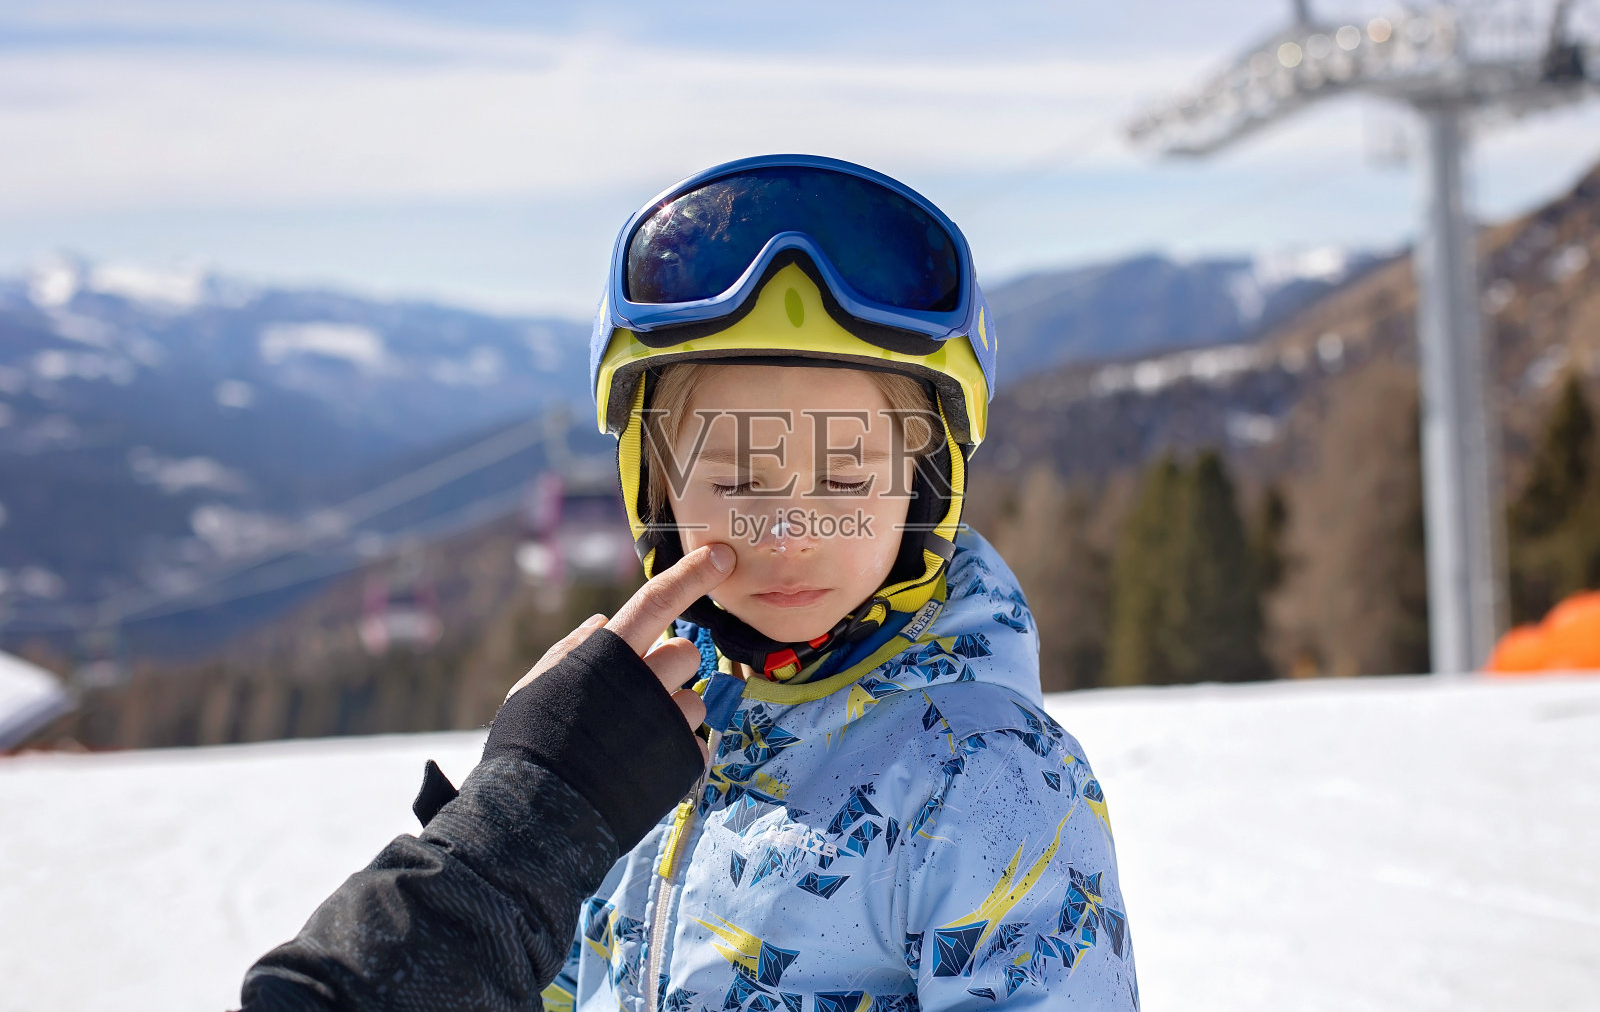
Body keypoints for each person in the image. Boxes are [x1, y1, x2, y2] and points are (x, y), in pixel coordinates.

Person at [560, 154, 1138, 1009]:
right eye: (739, 481)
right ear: (657, 488)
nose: (790, 535)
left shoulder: (986, 778)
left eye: (844, 480)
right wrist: (526, 806)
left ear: (922, 485)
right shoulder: (632, 734)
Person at [238, 545, 737, 1010]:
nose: (786, 532)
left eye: (822, 481)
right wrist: (516, 827)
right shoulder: (624, 776)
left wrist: (503, 837)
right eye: (732, 484)